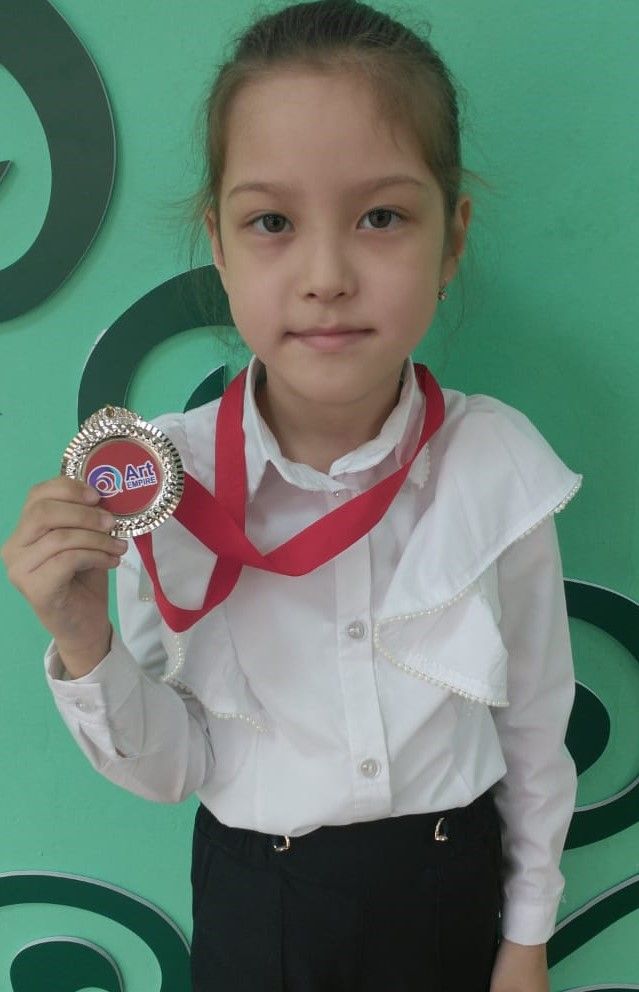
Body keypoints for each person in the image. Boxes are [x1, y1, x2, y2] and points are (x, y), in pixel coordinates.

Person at [1, 1, 583, 989]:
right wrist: (83, 638)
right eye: (271, 222)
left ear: (452, 241)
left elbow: (533, 721)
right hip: (256, 904)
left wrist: (526, 938)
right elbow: (172, 768)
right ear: (220, 247)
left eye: (381, 217)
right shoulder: (161, 484)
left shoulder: (494, 464)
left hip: (451, 894)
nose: (325, 276)